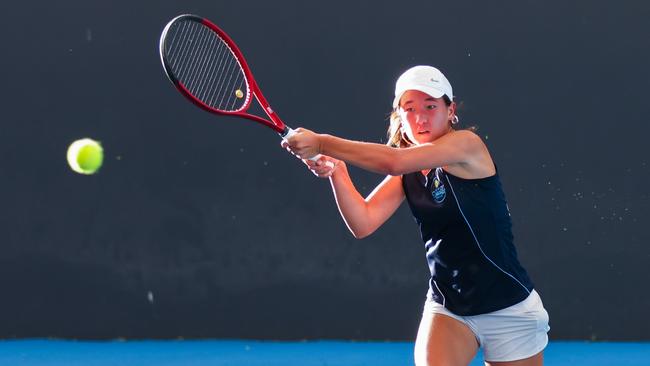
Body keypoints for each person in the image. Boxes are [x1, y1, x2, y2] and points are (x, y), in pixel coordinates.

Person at [282, 65, 550, 366]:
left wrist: (321, 142)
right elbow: (364, 222)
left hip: (509, 308)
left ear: (451, 111)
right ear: (399, 115)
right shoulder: (408, 170)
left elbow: (393, 161)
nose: (420, 118)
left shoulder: (467, 145)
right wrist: (337, 172)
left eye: (431, 106)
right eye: (409, 109)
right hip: (449, 306)